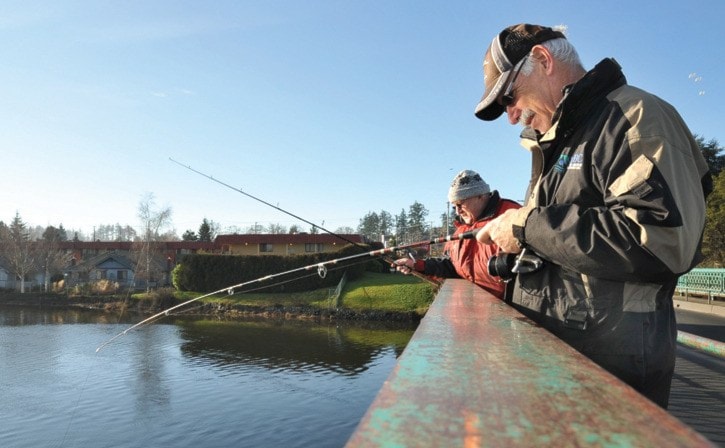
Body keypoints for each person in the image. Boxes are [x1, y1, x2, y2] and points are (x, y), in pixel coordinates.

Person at [473, 23, 712, 408]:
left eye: (509, 97)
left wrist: (526, 226)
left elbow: (663, 243)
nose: (512, 117)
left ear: (543, 60)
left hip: (611, 377)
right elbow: (563, 247)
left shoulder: (634, 117)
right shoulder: (558, 143)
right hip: (559, 367)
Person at [394, 169, 520, 299]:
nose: (457, 211)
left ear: (481, 196)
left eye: (460, 204)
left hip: (508, 311)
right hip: (469, 308)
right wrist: (416, 265)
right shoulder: (461, 229)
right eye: (454, 206)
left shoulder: (511, 215)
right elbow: (451, 265)